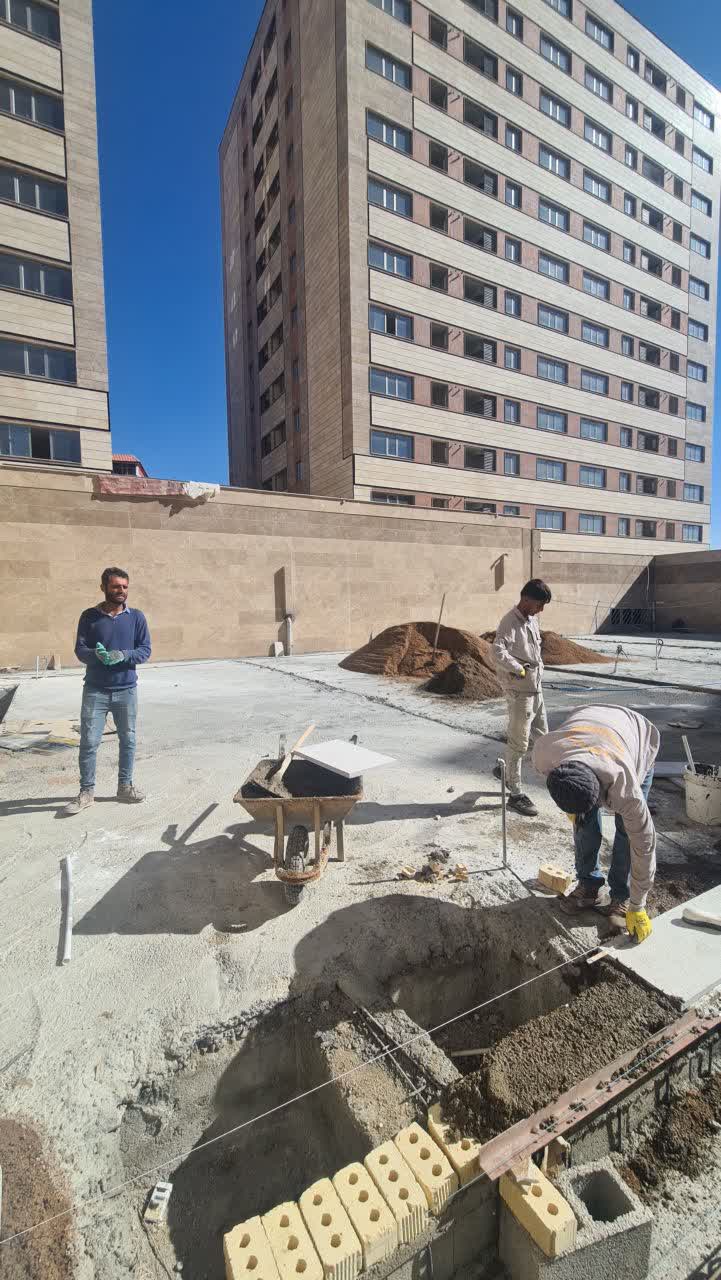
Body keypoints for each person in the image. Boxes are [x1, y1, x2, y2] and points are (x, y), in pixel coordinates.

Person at [532, 705, 658, 943]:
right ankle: (589, 885)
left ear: (601, 792)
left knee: (627, 832)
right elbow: (567, 789)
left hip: (636, 739)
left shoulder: (626, 790)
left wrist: (638, 905)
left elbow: (643, 846)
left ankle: (621, 897)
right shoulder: (544, 754)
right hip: (590, 724)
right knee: (583, 822)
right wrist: (573, 811)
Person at [63, 567, 151, 815]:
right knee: (89, 742)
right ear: (103, 588)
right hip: (96, 691)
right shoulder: (89, 616)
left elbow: (145, 650)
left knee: (128, 740)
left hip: (126, 690)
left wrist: (123, 654)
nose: (121, 591)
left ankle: (125, 787)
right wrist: (96, 655)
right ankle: (86, 792)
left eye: (124, 586)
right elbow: (80, 650)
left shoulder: (136, 617)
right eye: (115, 586)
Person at [492, 579, 552, 818]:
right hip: (520, 692)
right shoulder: (510, 622)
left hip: (536, 689)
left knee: (543, 737)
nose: (541, 609)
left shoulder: (532, 620)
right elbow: (497, 651)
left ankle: (506, 771)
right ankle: (515, 793)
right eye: (539, 604)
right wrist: (518, 669)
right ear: (526, 599)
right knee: (519, 742)